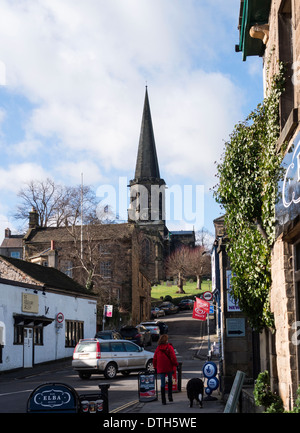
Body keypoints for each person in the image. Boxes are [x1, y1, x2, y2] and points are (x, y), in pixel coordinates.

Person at [153, 334, 178, 405]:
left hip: (161, 368)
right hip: (169, 367)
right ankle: (170, 396)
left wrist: (155, 367)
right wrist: (176, 364)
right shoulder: (169, 347)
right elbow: (173, 357)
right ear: (166, 340)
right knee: (170, 381)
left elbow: (155, 359)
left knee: (162, 383)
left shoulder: (158, 348)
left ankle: (163, 400)